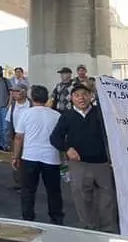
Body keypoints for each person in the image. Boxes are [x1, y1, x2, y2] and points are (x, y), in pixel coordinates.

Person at [50, 83, 117, 233]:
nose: (81, 98)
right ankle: (89, 226)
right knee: (82, 196)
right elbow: (55, 138)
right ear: (72, 98)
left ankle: (107, 229)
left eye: (84, 94)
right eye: (77, 95)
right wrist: (67, 148)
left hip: (102, 163)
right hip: (79, 164)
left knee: (106, 198)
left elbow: (113, 134)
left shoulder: (101, 113)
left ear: (91, 96)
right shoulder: (67, 116)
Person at [11, 85, 63, 225]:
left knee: (28, 190)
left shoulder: (26, 114)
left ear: (32, 98)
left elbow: (18, 137)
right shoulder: (56, 115)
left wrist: (15, 156)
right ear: (46, 98)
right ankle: (56, 218)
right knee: (53, 191)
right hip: (51, 157)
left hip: (30, 156)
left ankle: (28, 217)